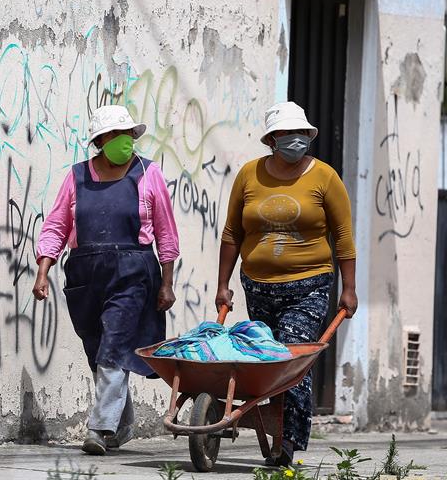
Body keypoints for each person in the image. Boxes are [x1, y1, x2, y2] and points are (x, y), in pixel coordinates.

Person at [214, 101, 357, 466]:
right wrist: (223, 284)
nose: (296, 140)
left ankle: (290, 440)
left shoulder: (325, 177)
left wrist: (349, 287)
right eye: (288, 134)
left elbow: (343, 236)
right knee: (265, 359)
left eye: (302, 134)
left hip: (308, 286)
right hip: (257, 286)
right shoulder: (249, 175)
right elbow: (232, 232)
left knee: (291, 355)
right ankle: (269, 428)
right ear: (273, 139)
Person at [33, 104, 179, 455]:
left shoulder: (149, 173)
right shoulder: (77, 176)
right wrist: (43, 271)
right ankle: (121, 425)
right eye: (116, 136)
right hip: (85, 273)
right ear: (101, 140)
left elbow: (165, 230)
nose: (125, 142)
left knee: (113, 347)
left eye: (128, 135)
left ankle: (99, 428)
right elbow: (56, 225)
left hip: (133, 271)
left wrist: (167, 281)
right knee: (97, 350)